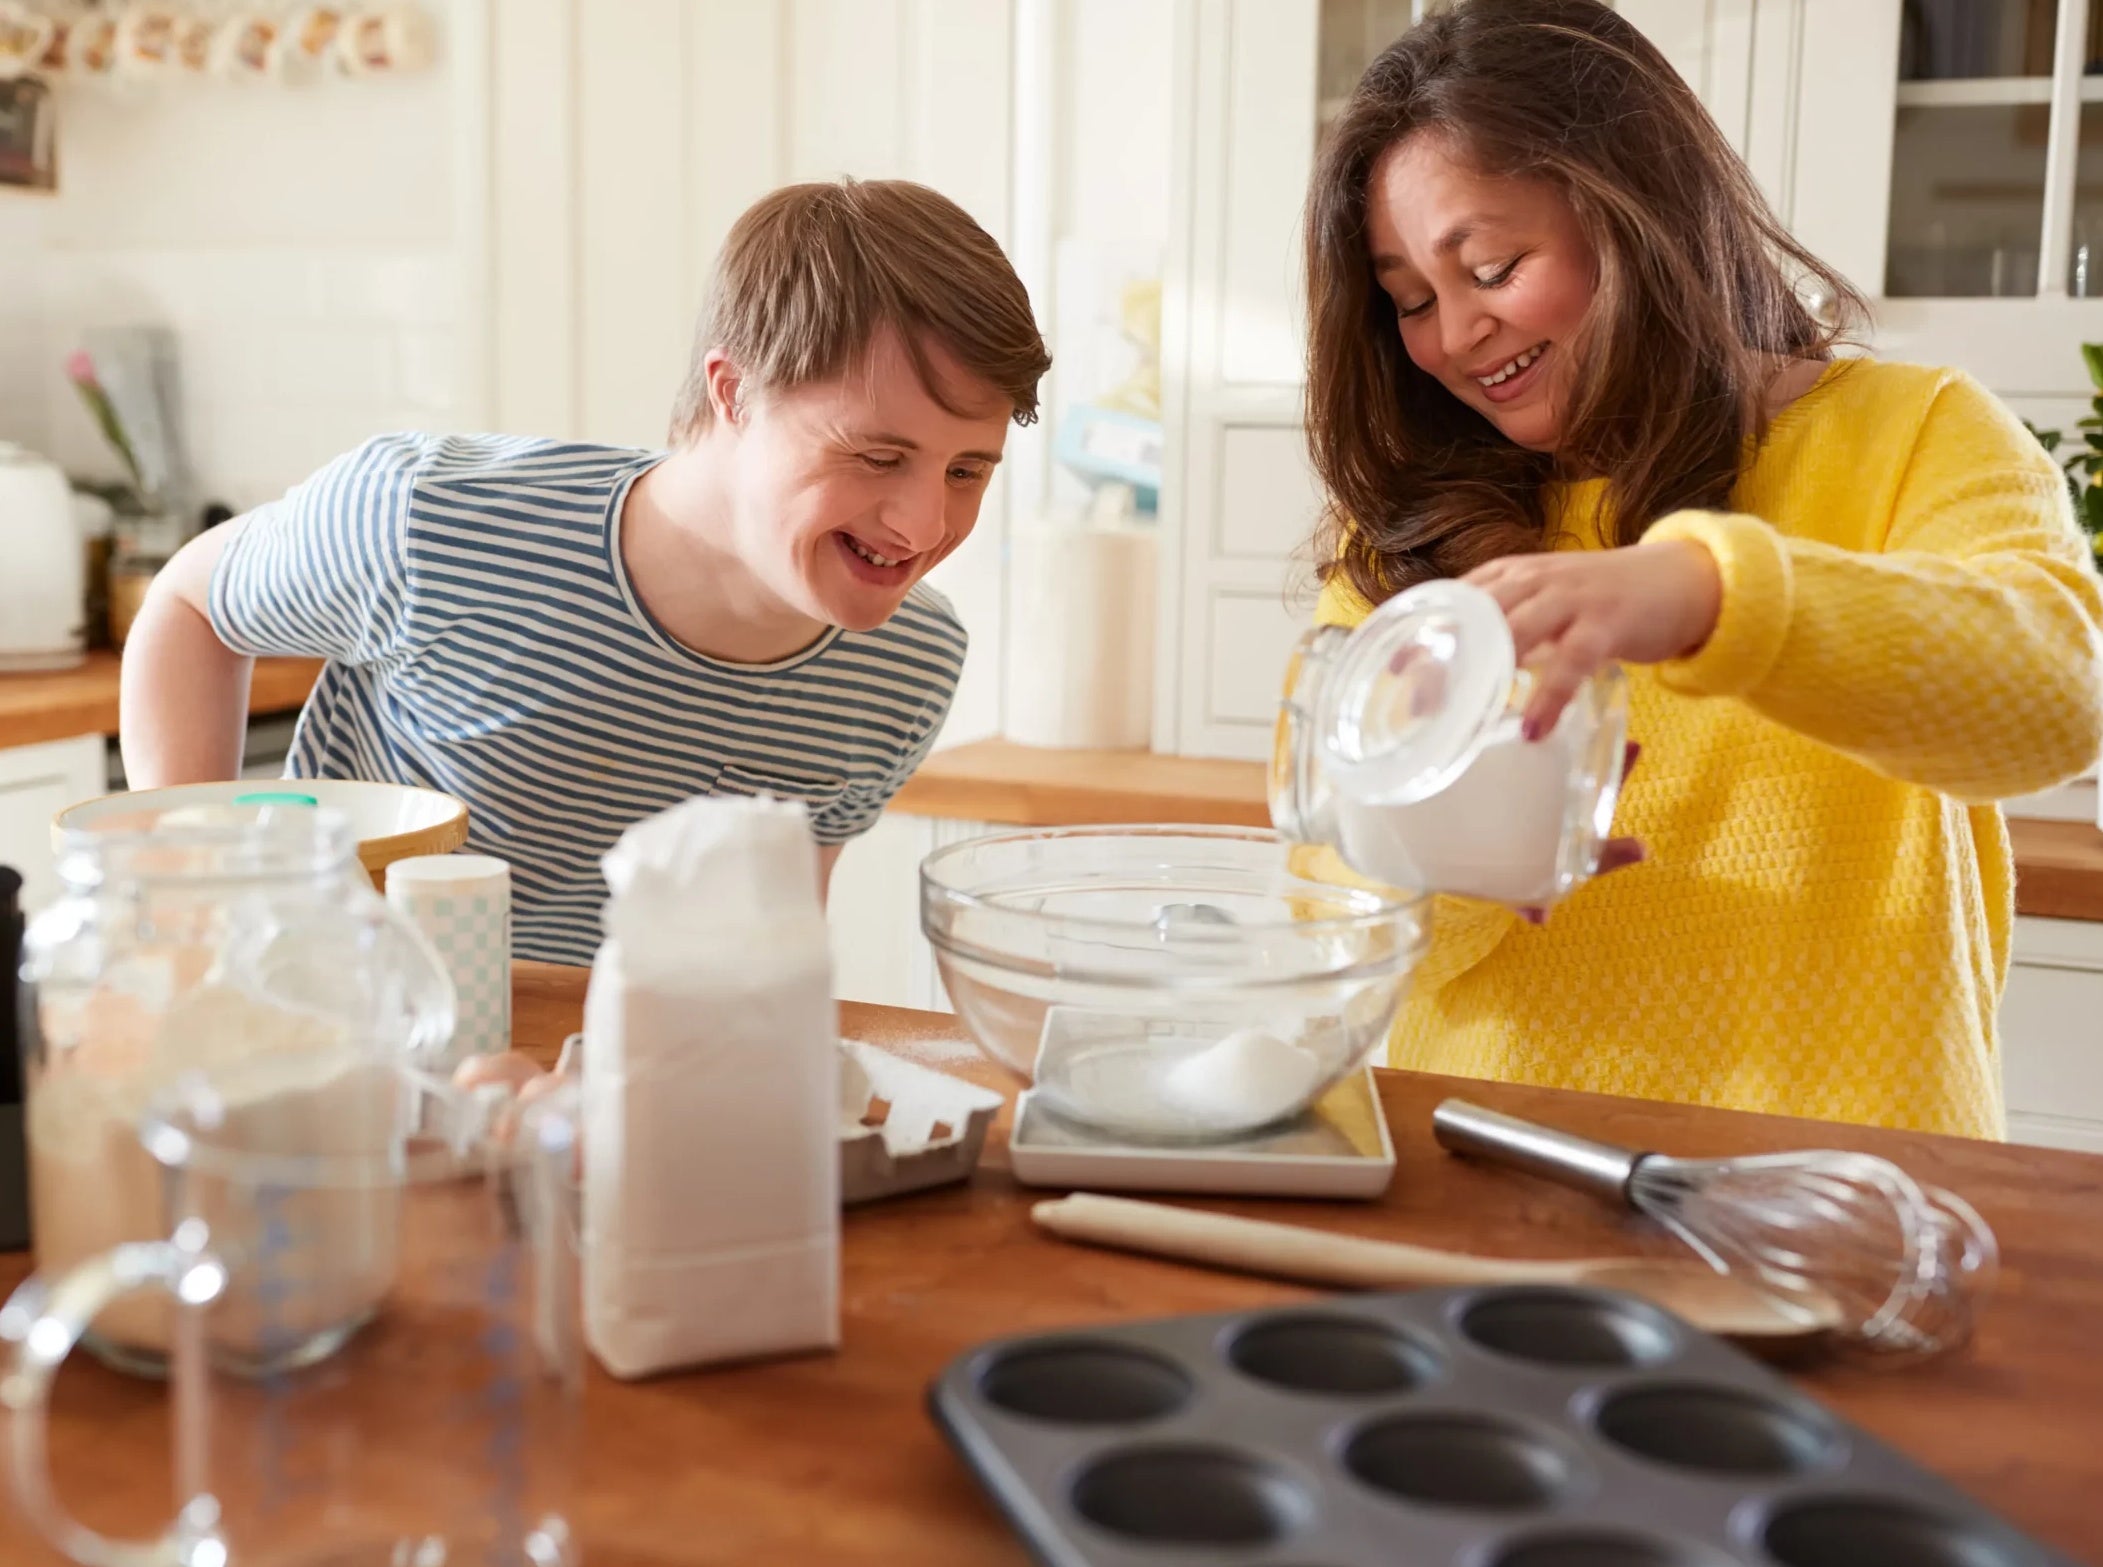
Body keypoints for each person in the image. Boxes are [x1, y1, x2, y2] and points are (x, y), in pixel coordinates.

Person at [1295, 0, 2103, 1138]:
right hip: (1497, 1174)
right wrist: (1467, 843)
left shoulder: (1911, 432)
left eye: (1492, 264)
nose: (1456, 334)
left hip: (1850, 1186)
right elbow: (1332, 909)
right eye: (1412, 301)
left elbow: (2058, 702)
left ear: (1638, 207)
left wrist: (1706, 598)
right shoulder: (1410, 542)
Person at [120, 178, 1052, 965]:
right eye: (878, 457)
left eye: (966, 470)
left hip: (625, 1102)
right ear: (734, 393)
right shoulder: (430, 521)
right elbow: (192, 605)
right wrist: (190, 909)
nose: (925, 524)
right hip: (345, 1055)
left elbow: (771, 942)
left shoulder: (906, 662)